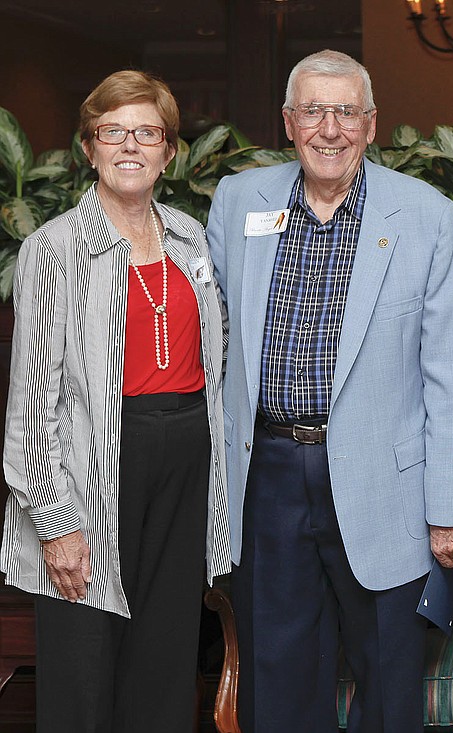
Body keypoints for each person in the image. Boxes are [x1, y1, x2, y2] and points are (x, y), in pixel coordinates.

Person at [206, 49, 453, 733]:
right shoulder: (240, 200)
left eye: (346, 112)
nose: (330, 129)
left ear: (371, 123)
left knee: (389, 677)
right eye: (313, 111)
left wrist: (450, 506)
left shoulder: (427, 216)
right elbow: (208, 345)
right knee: (277, 673)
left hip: (384, 483)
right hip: (266, 473)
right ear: (288, 122)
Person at [2, 70, 231, 733]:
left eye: (147, 132)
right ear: (89, 147)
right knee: (84, 665)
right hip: (94, 464)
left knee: (163, 659)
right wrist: (56, 519)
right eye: (112, 132)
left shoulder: (190, 237)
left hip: (184, 459)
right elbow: (30, 404)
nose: (130, 145)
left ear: (169, 150)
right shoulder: (54, 248)